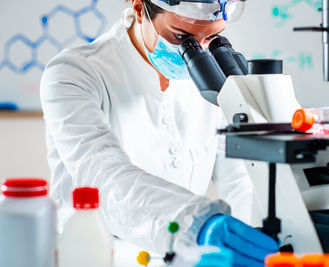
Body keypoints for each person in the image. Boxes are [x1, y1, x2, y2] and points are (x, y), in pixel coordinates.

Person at [40, 0, 278, 265]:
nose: (199, 50)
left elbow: (241, 182)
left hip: (182, 257)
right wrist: (197, 224)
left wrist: (260, 234)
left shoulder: (213, 80)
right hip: (93, 257)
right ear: (140, 8)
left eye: (211, 37)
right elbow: (102, 178)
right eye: (181, 37)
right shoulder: (75, 73)